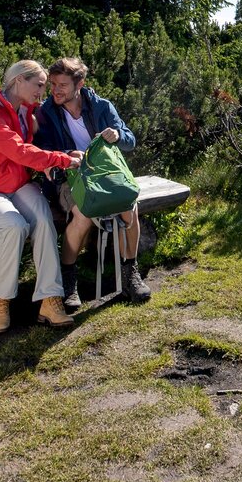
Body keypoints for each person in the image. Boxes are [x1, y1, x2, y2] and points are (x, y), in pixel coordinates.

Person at [0, 60, 81, 333]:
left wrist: (60, 155)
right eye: (39, 85)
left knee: (44, 220)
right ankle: (0, 300)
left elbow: (37, 144)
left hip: (17, 186)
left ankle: (50, 299)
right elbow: (17, 150)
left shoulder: (25, 110)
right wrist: (60, 160)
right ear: (18, 81)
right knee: (14, 226)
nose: (42, 91)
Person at [34, 57, 150, 308]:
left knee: (129, 206)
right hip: (69, 176)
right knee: (83, 213)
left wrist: (117, 135)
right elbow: (41, 150)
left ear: (80, 84)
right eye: (53, 84)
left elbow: (129, 141)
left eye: (62, 85)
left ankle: (129, 272)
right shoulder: (45, 112)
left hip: (106, 173)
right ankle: (68, 279)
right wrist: (66, 156)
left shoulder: (101, 107)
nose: (55, 90)